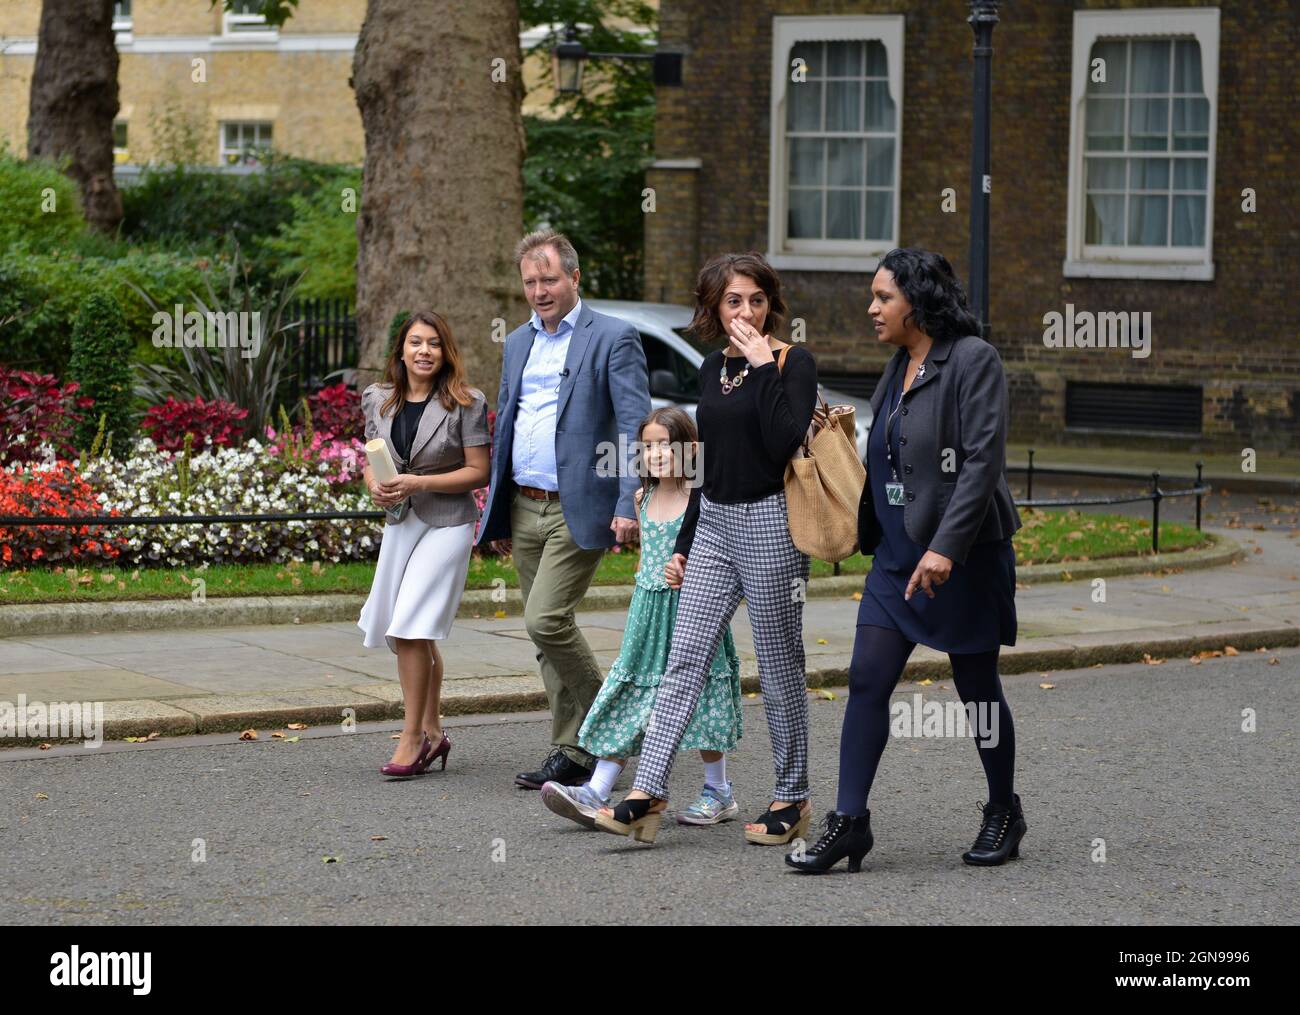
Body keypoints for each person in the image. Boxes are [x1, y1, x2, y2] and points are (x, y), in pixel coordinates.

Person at [786, 247, 1025, 874]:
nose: (872, 308)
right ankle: (850, 822)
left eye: (882, 297)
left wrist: (946, 545)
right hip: (896, 557)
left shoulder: (974, 361)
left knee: (976, 690)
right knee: (867, 678)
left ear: (918, 302)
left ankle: (1003, 808)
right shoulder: (898, 365)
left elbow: (981, 462)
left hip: (965, 555)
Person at [594, 252, 818, 847]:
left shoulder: (793, 363)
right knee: (684, 657)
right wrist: (687, 543)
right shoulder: (712, 368)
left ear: (771, 305)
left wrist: (763, 364)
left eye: (757, 300)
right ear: (714, 309)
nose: (746, 311)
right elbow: (709, 466)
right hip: (715, 521)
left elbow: (783, 442)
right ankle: (646, 793)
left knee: (777, 665)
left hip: (772, 522)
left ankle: (791, 795)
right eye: (733, 301)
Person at [476, 230, 651, 790]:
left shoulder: (614, 338)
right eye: (529, 281)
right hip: (525, 505)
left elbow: (634, 426)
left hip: (581, 506)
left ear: (574, 278)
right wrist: (498, 510)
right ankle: (572, 749)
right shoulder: (517, 343)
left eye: (548, 279)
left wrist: (629, 501)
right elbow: (506, 423)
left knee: (544, 620)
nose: (539, 290)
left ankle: (615, 730)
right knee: (546, 636)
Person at [541, 408, 743, 832]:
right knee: (632, 698)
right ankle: (597, 788)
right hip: (647, 620)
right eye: (647, 446)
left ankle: (718, 791)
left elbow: (721, 557)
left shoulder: (701, 499)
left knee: (701, 700)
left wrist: (688, 571)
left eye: (664, 445)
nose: (655, 453)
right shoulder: (642, 498)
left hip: (691, 613)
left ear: (689, 449)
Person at [358, 310, 491, 778]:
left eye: (434, 343)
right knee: (408, 632)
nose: (424, 351)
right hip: (401, 524)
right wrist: (374, 482)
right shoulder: (378, 398)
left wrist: (418, 483)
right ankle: (434, 732)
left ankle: (411, 736)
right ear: (401, 350)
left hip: (448, 522)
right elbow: (371, 458)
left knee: (411, 626)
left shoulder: (465, 402)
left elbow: (479, 472)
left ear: (445, 351)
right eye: (416, 342)